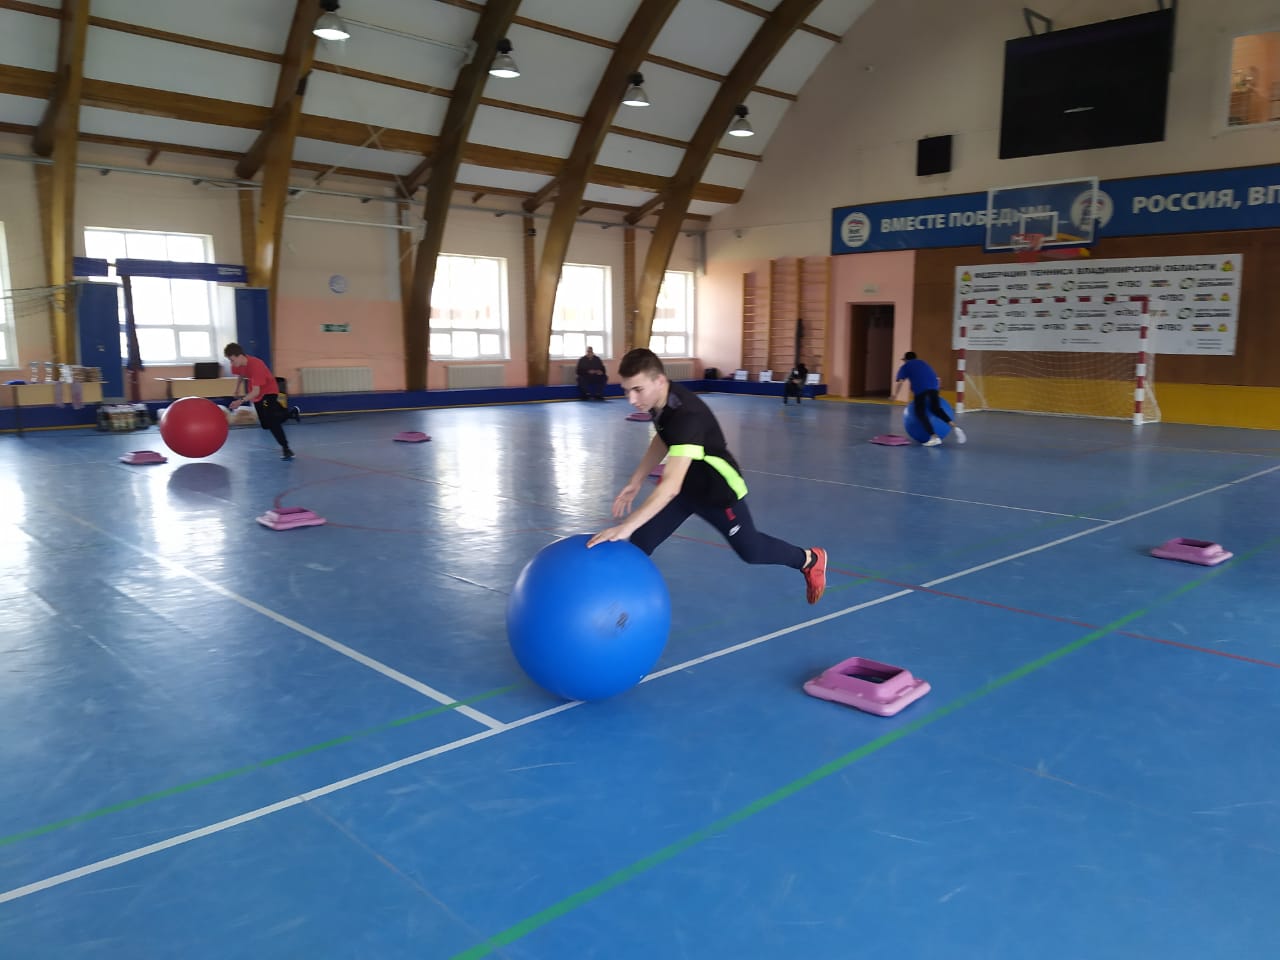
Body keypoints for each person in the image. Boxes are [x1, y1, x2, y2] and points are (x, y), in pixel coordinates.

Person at [587, 348, 828, 604]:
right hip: (687, 487)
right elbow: (664, 437)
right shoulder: (659, 401)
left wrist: (625, 525)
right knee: (641, 541)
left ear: (659, 381)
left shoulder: (686, 416)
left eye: (637, 390)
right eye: (627, 391)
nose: (631, 399)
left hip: (717, 491)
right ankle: (616, 604)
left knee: (751, 551)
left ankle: (810, 559)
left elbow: (670, 487)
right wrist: (636, 480)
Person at [224, 343, 295, 460]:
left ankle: (286, 448)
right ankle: (290, 413)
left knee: (272, 421)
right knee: (265, 425)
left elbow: (256, 391)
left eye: (232, 360)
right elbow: (241, 374)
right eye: (229, 361)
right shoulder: (237, 364)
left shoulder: (256, 365)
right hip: (257, 394)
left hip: (269, 391)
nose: (231, 363)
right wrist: (237, 389)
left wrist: (240, 401)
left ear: (240, 356)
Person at [892, 351, 965, 446]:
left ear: (906, 360)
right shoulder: (923, 363)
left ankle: (934, 437)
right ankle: (955, 427)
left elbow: (900, 381)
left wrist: (895, 395)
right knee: (937, 409)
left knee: (920, 413)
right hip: (934, 388)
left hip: (921, 390)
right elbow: (937, 378)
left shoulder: (906, 366)